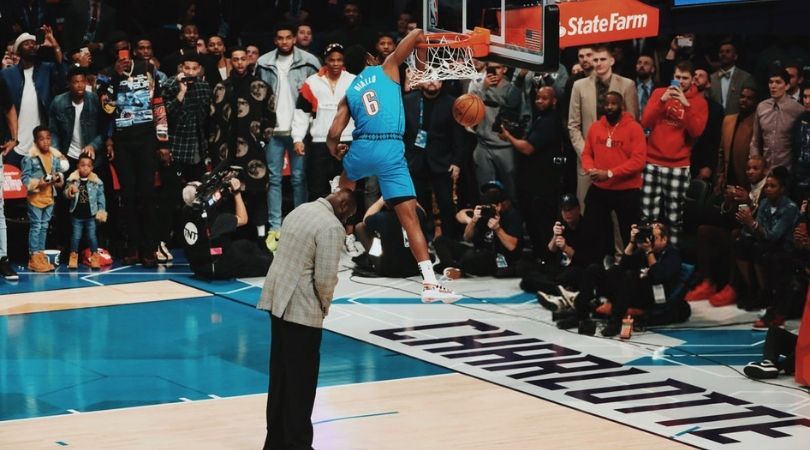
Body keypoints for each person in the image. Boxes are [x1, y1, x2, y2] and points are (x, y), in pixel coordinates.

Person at [327, 30, 461, 303]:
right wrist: (424, 45)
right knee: (410, 218)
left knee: (340, 198)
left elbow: (333, 133)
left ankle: (325, 248)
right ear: (368, 57)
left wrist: (337, 153)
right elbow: (415, 35)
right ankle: (429, 283)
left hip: (362, 145)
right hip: (390, 148)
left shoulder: (350, 91)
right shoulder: (387, 67)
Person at [257, 189, 356, 450]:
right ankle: (298, 443)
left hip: (277, 301)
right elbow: (324, 278)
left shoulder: (299, 210)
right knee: (302, 382)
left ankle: (275, 441)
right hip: (302, 308)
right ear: (343, 208)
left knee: (280, 376)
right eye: (348, 217)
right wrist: (324, 305)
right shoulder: (331, 227)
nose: (346, 222)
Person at [256, 23, 321, 249]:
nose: (284, 42)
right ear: (275, 40)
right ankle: (275, 228)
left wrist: (309, 127)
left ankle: (299, 227)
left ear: (294, 39)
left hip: (298, 131)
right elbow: (257, 96)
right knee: (273, 179)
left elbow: (317, 98)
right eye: (280, 38)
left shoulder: (310, 62)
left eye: (288, 38)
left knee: (298, 178)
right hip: (273, 130)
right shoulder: (263, 63)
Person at [209, 47, 275, 245]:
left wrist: (263, 139)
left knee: (257, 192)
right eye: (235, 59)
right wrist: (214, 147)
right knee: (227, 193)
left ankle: (261, 236)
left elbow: (270, 115)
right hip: (225, 151)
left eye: (242, 59)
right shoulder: (221, 88)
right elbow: (212, 119)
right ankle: (229, 235)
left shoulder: (261, 87)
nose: (239, 63)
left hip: (253, 150)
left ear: (248, 60)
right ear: (230, 61)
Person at [640, 60, 708, 245]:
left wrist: (686, 105)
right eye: (677, 77)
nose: (681, 81)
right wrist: (662, 101)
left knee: (674, 218)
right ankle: (649, 256)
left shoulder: (699, 102)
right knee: (647, 216)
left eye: (685, 78)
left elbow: (696, 132)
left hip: (678, 165)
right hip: (652, 161)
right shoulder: (659, 93)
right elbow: (645, 122)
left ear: (693, 79)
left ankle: (672, 258)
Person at [568, 44, 638, 209]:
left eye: (603, 59)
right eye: (595, 59)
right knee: (588, 214)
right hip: (588, 162)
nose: (598, 63)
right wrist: (586, 154)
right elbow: (573, 125)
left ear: (612, 61)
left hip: (617, 161)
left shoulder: (627, 85)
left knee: (617, 219)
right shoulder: (579, 86)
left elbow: (633, 123)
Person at [499, 86, 565, 257]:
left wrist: (508, 137)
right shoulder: (540, 118)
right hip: (533, 180)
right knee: (534, 221)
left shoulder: (549, 121)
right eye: (537, 98)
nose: (539, 101)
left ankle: (546, 257)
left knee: (541, 222)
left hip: (543, 182)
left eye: (544, 98)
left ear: (554, 101)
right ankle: (540, 255)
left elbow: (528, 148)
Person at [580, 91, 646, 259]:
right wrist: (590, 170)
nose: (608, 107)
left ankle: (632, 271)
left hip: (626, 190)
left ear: (622, 106)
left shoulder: (634, 128)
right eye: (606, 104)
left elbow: (638, 161)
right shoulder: (596, 127)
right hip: (600, 189)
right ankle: (596, 267)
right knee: (592, 229)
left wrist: (609, 173)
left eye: (613, 103)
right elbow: (587, 153)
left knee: (629, 234)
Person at [292, 43, 356, 202]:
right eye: (331, 60)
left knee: (348, 187)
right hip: (320, 141)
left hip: (348, 138)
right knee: (317, 187)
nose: (335, 64)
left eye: (339, 60)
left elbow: (362, 112)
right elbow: (302, 112)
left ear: (343, 61)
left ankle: (348, 225)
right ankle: (319, 224)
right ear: (325, 60)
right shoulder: (312, 82)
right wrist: (298, 138)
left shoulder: (354, 81)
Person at [182, 171, 273, 280]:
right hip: (219, 267)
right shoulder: (214, 219)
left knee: (245, 245)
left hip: (198, 266)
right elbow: (243, 219)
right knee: (269, 265)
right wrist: (237, 193)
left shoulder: (185, 212)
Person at [403, 80, 464, 238]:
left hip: (442, 161)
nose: (432, 82)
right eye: (429, 77)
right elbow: (402, 132)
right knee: (417, 206)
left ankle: (449, 242)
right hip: (415, 161)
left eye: (436, 78)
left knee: (446, 205)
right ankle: (421, 240)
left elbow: (458, 136)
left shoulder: (452, 103)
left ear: (442, 82)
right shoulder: (408, 100)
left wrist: (456, 162)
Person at [1, 29, 64, 169]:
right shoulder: (7, 74)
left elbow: (63, 76)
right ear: (18, 51)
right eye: (26, 44)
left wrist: (55, 46)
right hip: (15, 143)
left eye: (33, 44)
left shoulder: (46, 69)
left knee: (40, 187)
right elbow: (5, 107)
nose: (31, 46)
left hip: (40, 144)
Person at [433, 183, 522, 278]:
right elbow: (467, 237)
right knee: (440, 240)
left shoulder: (511, 216)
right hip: (477, 252)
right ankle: (452, 267)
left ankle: (454, 268)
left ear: (499, 206)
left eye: (490, 206)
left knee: (470, 257)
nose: (487, 209)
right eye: (485, 206)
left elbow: (512, 246)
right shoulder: (481, 215)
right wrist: (473, 221)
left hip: (498, 258)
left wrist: (497, 229)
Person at [468, 61, 522, 198]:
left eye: (498, 67)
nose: (494, 71)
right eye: (490, 68)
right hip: (483, 144)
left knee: (511, 189)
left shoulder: (511, 87)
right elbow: (470, 110)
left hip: (505, 145)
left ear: (504, 69)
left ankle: (512, 217)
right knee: (485, 191)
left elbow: (514, 103)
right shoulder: (477, 84)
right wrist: (483, 89)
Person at [21, 126, 66, 272]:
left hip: (49, 197)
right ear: (35, 141)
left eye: (48, 138)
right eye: (41, 139)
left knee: (45, 227)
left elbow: (59, 173)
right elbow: (25, 179)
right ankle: (34, 257)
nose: (45, 142)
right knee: (36, 227)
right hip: (35, 198)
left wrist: (57, 177)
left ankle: (40, 255)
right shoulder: (30, 158)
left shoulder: (54, 156)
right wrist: (37, 183)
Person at [750, 67, 804, 171]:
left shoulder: (797, 109)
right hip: (764, 168)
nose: (773, 86)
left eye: (778, 82)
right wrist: (755, 163)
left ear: (787, 86)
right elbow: (755, 140)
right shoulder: (762, 107)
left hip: (787, 169)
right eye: (771, 82)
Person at [64, 153, 106, 269]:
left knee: (92, 237)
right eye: (82, 165)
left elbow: (101, 197)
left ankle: (95, 258)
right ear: (78, 166)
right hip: (76, 216)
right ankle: (73, 258)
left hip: (91, 216)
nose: (85, 167)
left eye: (88, 165)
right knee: (75, 237)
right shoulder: (72, 180)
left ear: (92, 168)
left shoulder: (96, 182)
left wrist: (101, 211)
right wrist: (71, 192)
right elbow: (65, 193)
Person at [709, 42, 756, 115]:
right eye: (721, 52)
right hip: (715, 121)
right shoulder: (711, 78)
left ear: (735, 56)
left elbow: (749, 103)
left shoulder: (745, 77)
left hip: (737, 120)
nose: (723, 54)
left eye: (728, 51)